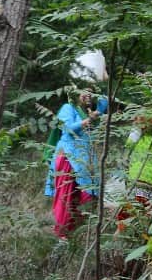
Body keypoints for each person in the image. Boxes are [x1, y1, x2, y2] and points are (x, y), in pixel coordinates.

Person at [45, 88, 107, 238]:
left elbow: (104, 101)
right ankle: (61, 235)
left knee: (79, 198)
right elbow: (69, 129)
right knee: (65, 197)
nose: (89, 95)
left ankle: (74, 234)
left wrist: (99, 109)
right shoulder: (68, 108)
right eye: (85, 91)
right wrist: (92, 117)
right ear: (75, 92)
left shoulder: (85, 112)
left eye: (92, 93)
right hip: (67, 157)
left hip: (82, 161)